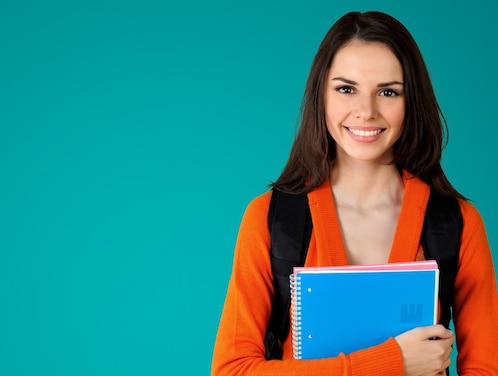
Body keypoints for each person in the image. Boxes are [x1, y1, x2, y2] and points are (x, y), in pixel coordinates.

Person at [211, 11, 498, 376]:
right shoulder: (270, 219)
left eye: (388, 92)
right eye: (346, 89)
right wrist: (393, 362)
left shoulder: (457, 223)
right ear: (322, 95)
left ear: (412, 102)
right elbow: (231, 370)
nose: (366, 111)